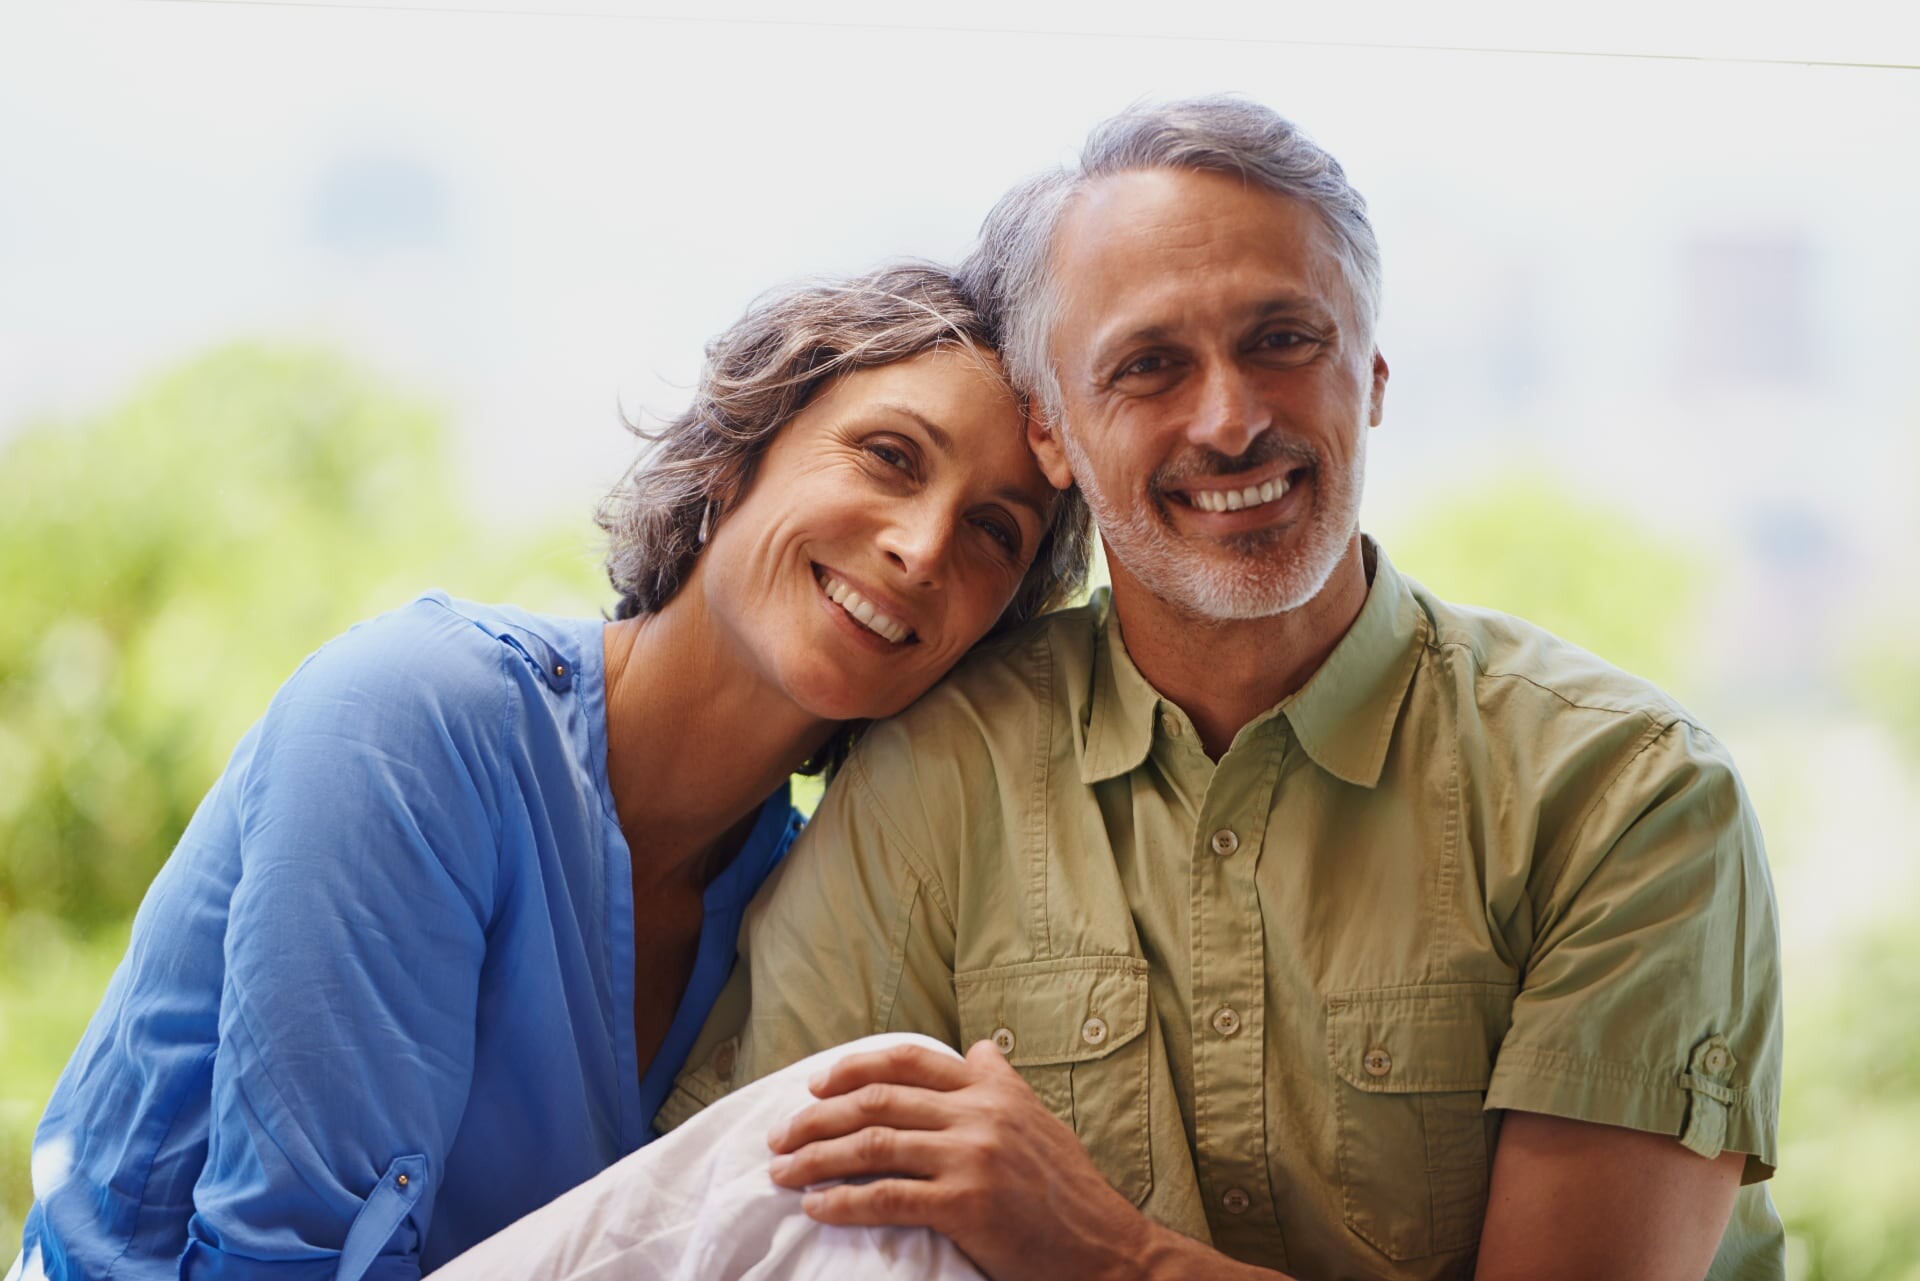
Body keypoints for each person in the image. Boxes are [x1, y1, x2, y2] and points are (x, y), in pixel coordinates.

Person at [425, 97, 1783, 1281]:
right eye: (1148, 366)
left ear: (1371, 377)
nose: (1229, 418)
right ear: (1054, 434)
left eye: (1282, 340)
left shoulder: (1625, 797)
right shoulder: (943, 764)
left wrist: (1096, 1249)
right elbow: (749, 1223)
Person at [11, 263, 1089, 1281]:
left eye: (995, 531)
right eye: (891, 456)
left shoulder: (804, 903)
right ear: (733, 453)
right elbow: (282, 1256)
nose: (923, 545)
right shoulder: (416, 716)